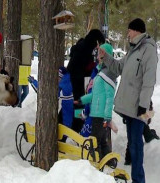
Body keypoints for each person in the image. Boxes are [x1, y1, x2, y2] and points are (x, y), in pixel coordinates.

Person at [98, 18, 158, 183]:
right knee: (133, 143)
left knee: (136, 145)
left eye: (129, 31)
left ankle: (139, 180)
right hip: (129, 107)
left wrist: (143, 105)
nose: (128, 34)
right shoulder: (133, 50)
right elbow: (118, 67)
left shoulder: (149, 50)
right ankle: (137, 178)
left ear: (137, 30)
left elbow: (149, 82)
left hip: (139, 107)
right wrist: (106, 57)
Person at [76, 43, 118, 161]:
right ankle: (109, 163)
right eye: (98, 54)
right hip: (96, 112)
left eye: (101, 54)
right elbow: (95, 94)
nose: (98, 57)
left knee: (95, 143)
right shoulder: (100, 71)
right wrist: (82, 100)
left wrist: (107, 117)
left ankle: (97, 168)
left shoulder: (107, 73)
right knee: (101, 142)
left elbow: (110, 97)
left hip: (100, 115)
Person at [67, 29, 106, 133]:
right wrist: (94, 68)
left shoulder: (84, 45)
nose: (98, 46)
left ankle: (76, 125)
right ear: (96, 40)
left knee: (78, 102)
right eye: (99, 43)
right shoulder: (86, 47)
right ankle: (76, 128)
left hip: (75, 79)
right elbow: (83, 66)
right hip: (75, 80)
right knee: (79, 103)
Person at [124, 101, 159, 165]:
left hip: (131, 109)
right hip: (139, 110)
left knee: (133, 135)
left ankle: (129, 158)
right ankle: (132, 158)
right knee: (136, 136)